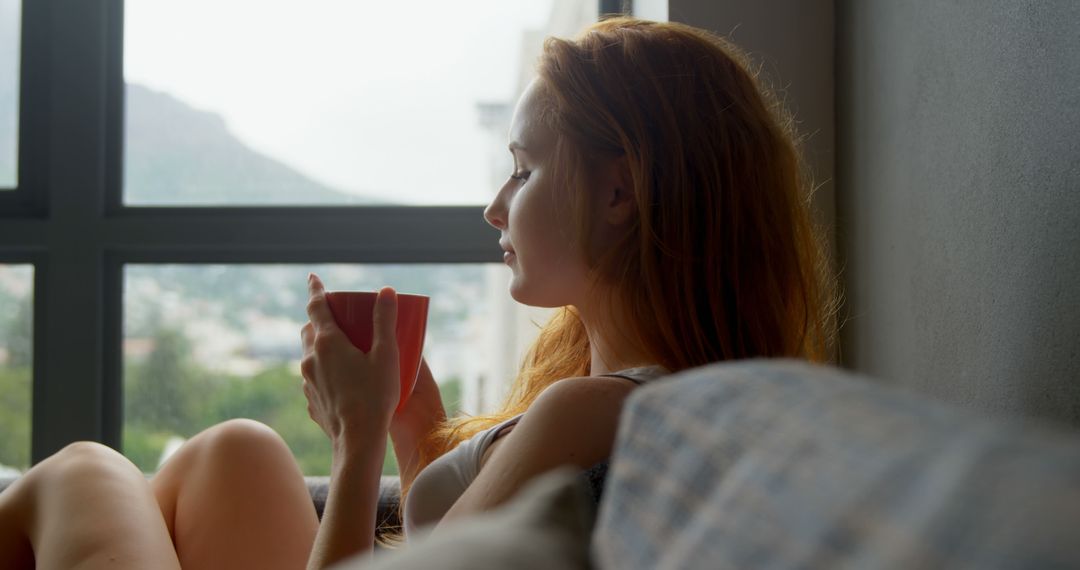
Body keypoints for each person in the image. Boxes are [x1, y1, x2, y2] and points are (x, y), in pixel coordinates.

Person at [0, 16, 836, 569]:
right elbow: (459, 550)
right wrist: (407, 426)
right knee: (238, 453)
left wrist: (357, 443)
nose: (495, 206)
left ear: (620, 193)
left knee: (87, 469)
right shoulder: (632, 401)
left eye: (523, 169)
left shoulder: (591, 412)